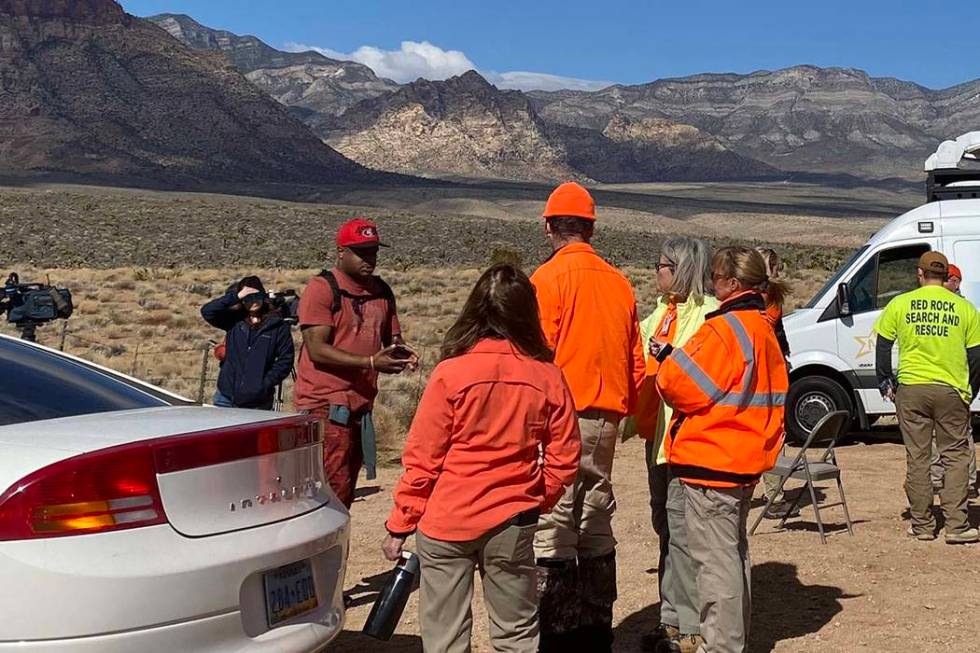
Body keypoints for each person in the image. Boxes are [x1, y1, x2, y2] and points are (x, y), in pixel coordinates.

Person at [383, 264, 581, 653]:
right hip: (511, 519)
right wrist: (539, 498)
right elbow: (565, 455)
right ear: (527, 312)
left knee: (445, 637)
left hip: (446, 520)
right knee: (516, 634)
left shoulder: (449, 374)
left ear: (474, 310)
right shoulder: (547, 376)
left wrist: (400, 522)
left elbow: (423, 458)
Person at [530, 181, 646, 651]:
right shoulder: (618, 282)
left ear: (549, 227)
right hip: (606, 417)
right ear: (591, 228)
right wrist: (627, 411)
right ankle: (597, 628)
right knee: (596, 517)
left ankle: (558, 634)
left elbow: (537, 356)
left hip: (559, 415)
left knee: (554, 520)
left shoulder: (546, 280)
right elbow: (636, 360)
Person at [656, 246, 789, 653]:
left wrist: (669, 360)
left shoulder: (725, 329)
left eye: (716, 277)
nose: (711, 284)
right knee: (733, 557)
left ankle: (723, 647)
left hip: (712, 462)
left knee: (715, 566)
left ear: (732, 284)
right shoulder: (763, 326)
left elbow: (676, 384)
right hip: (742, 460)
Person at [627, 237, 718, 653]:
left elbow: (705, 374)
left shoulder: (709, 315)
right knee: (665, 529)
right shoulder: (659, 314)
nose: (655, 272)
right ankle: (670, 620)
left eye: (661, 265)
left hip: (688, 442)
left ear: (681, 268)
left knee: (684, 534)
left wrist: (672, 356)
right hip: (657, 439)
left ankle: (690, 626)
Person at [294, 218, 418, 508]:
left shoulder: (381, 291)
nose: (369, 259)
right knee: (330, 490)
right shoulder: (322, 288)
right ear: (341, 252)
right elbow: (317, 349)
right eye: (361, 252)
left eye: (373, 251)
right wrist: (370, 362)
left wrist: (402, 353)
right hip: (324, 405)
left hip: (360, 408)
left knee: (345, 486)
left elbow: (392, 339)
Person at [875, 251, 980, 544]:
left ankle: (922, 524)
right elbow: (977, 355)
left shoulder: (900, 303)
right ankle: (957, 526)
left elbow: (883, 346)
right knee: (956, 457)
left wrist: (886, 380)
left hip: (911, 389)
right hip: (951, 390)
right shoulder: (964, 309)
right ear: (947, 277)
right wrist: (969, 389)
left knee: (918, 457)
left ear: (919, 275)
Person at [200, 275, 294, 409]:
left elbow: (285, 360)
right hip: (226, 398)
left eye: (256, 296)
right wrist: (235, 296)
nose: (253, 301)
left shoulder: (277, 326)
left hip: (258, 402)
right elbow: (207, 311)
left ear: (263, 296)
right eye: (247, 298)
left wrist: (264, 384)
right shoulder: (234, 321)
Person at [756, 247, 798, 520]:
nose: (779, 271)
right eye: (776, 266)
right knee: (772, 434)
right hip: (769, 373)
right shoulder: (770, 297)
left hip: (754, 370)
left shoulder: (742, 296)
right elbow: (772, 328)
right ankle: (775, 495)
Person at [931, 263, 978, 498]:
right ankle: (938, 480)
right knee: (938, 437)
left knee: (960, 437)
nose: (942, 282)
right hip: (940, 384)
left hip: (957, 384)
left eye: (947, 278)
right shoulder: (940, 309)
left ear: (956, 282)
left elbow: (974, 354)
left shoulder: (963, 309)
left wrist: (971, 388)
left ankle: (967, 482)